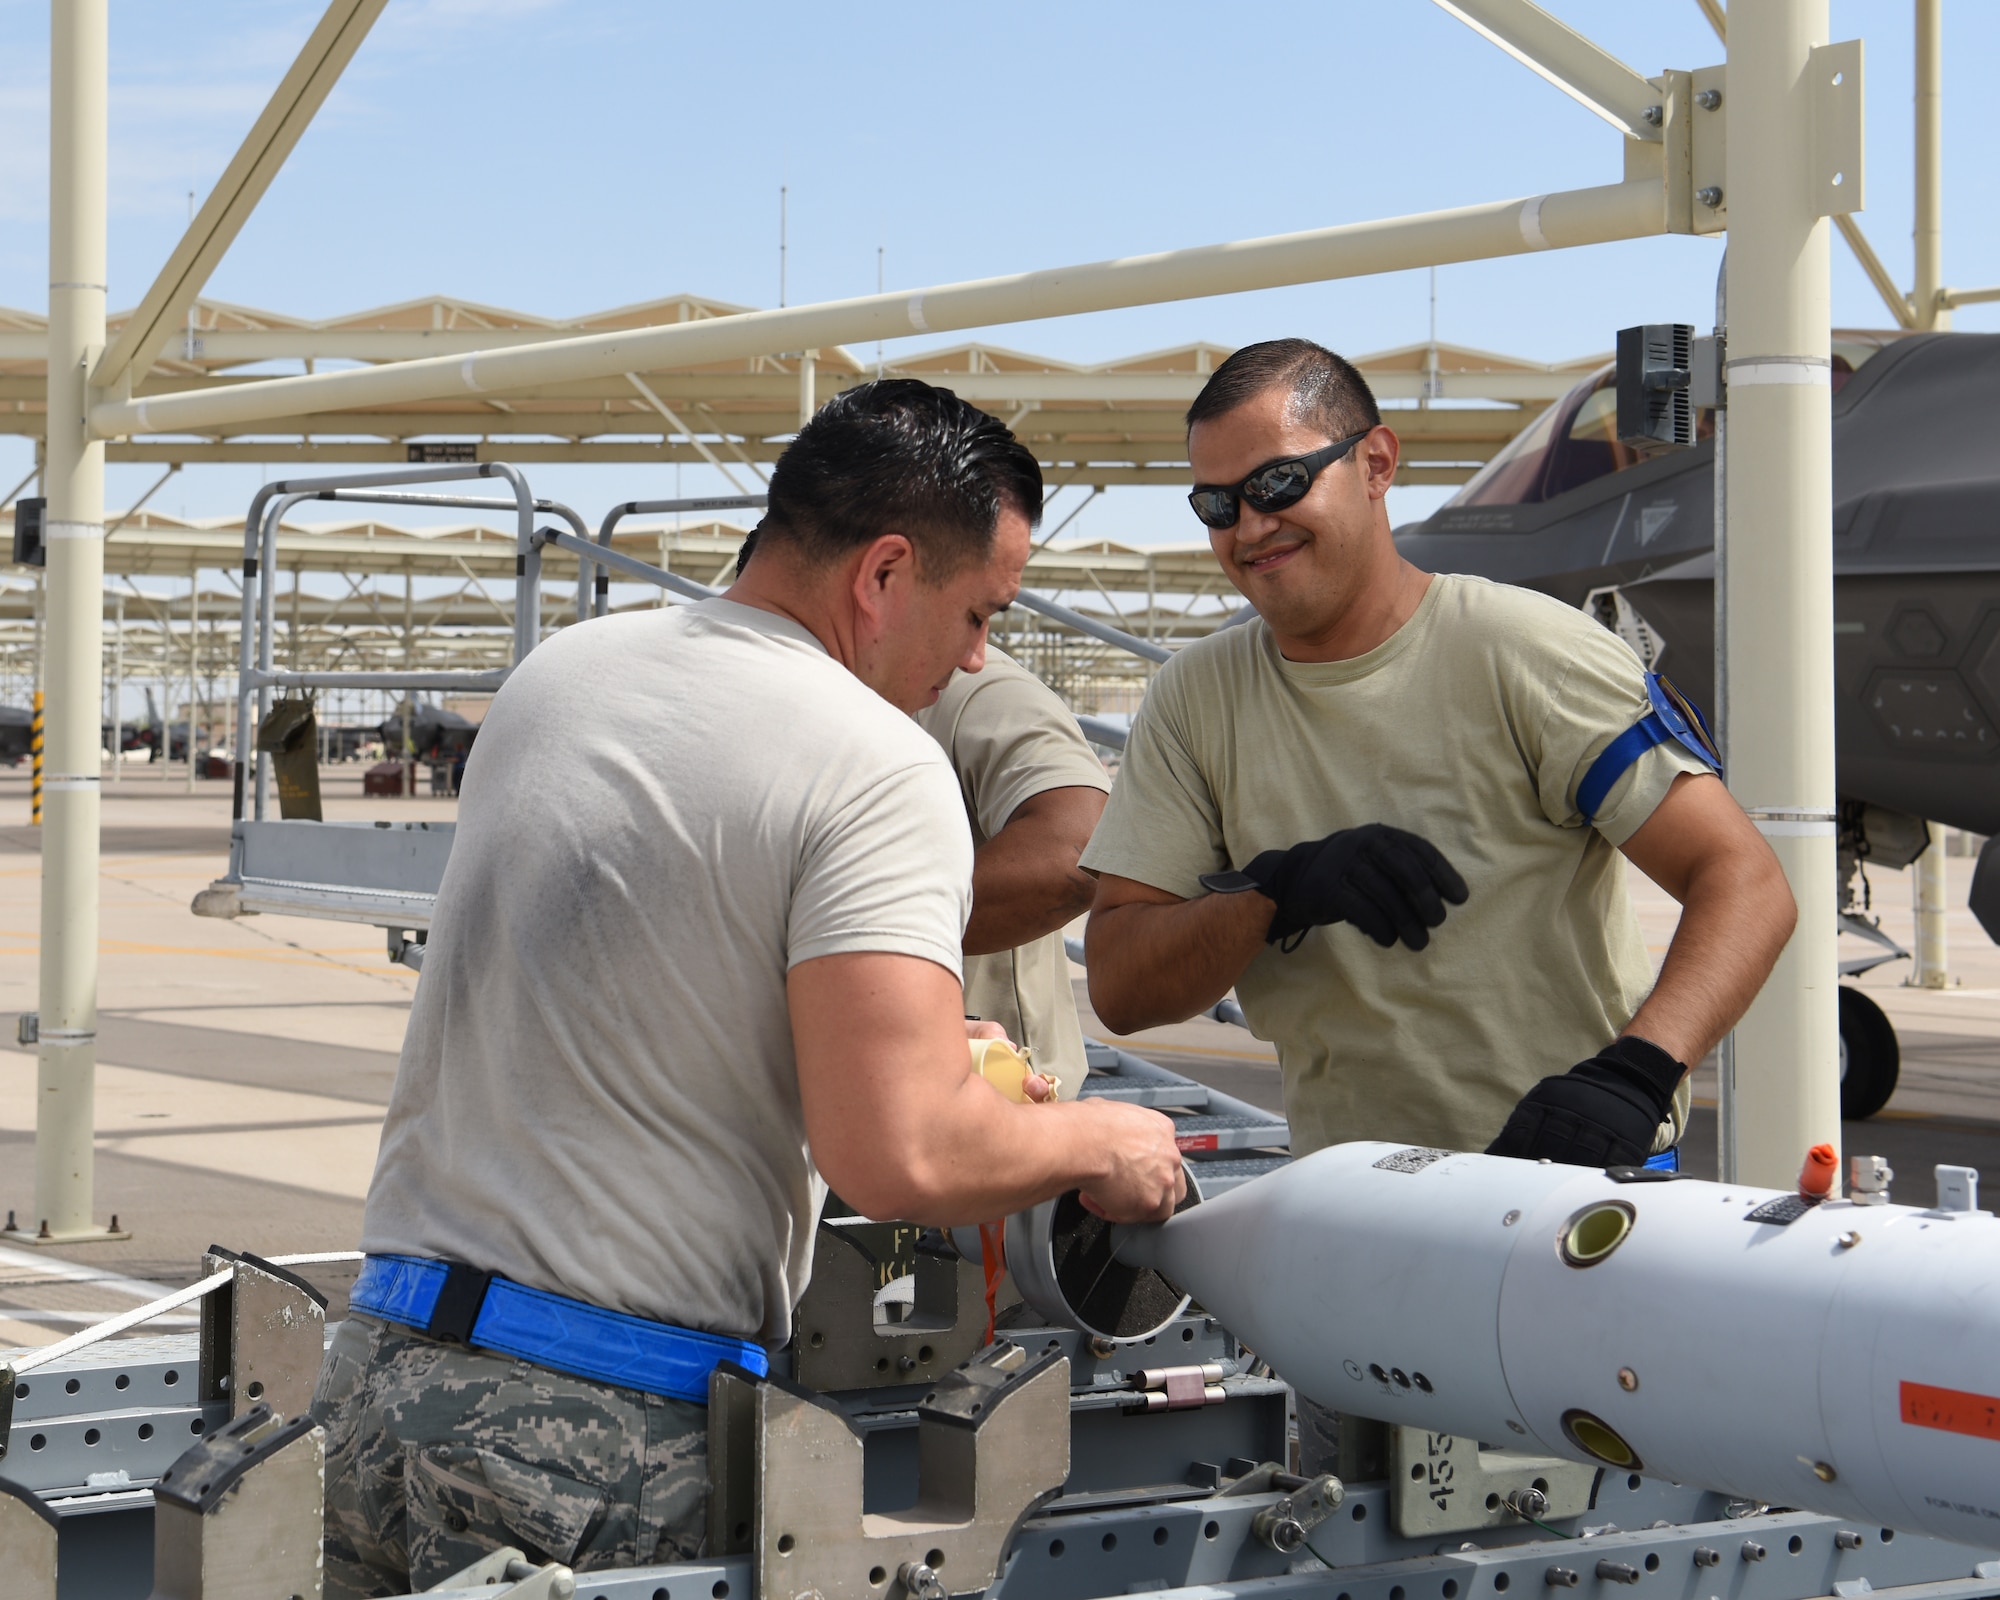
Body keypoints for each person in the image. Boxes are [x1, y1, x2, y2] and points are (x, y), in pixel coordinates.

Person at [313, 380, 1186, 1597]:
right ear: (883, 574)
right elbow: (902, 1159)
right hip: (589, 1445)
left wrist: (910, 1034)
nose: (976, 657)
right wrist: (1097, 1135)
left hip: (372, 1376)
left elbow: (648, 978)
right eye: (978, 612)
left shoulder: (561, 677)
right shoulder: (874, 760)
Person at [1081, 338, 1797, 1171]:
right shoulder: (1193, 700)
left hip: (1571, 1191)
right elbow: (1122, 986)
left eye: (1279, 483)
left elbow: (1747, 882)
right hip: (1353, 1205)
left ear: (1376, 463)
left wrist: (1635, 1075)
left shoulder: (1529, 653)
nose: (1251, 526)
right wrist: (1274, 893)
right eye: (1216, 506)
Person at [913, 647, 1109, 1095]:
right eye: (975, 611)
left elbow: (1075, 852)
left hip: (981, 1090)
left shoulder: (966, 684)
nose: (974, 649)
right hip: (939, 1099)